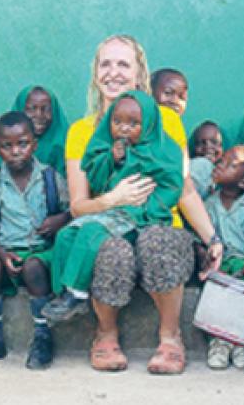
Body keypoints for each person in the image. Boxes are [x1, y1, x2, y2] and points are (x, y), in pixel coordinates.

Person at [45, 35, 223, 374]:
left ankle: (170, 338)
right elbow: (78, 207)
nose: (113, 72)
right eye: (106, 64)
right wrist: (113, 199)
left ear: (139, 72)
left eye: (123, 64)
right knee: (110, 249)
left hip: (158, 223)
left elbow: (182, 188)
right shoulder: (81, 133)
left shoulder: (165, 121)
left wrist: (212, 239)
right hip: (109, 223)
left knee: (157, 239)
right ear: (95, 72)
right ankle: (105, 334)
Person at [46, 91, 184, 321]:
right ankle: (61, 291)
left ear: (149, 124)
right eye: (117, 121)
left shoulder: (165, 151)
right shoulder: (110, 147)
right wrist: (113, 159)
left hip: (141, 215)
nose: (124, 128)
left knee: (91, 232)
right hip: (111, 211)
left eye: (134, 123)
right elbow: (98, 181)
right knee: (68, 234)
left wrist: (148, 210)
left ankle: (77, 293)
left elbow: (171, 188)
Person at [0, 112, 71, 369]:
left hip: (41, 251)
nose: (15, 152)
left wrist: (59, 220)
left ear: (34, 144)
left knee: (34, 268)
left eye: (22, 144)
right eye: (7, 146)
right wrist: (1, 254)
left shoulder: (50, 177)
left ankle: (43, 337)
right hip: (7, 250)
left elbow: (72, 210)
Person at [202, 145, 244, 371]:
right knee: (217, 286)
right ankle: (219, 341)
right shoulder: (209, 203)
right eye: (221, 160)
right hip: (218, 262)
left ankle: (240, 341)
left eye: (229, 164)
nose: (219, 164)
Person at [11, 85, 70, 174]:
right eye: (31, 109)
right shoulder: (7, 147)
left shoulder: (64, 145)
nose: (39, 115)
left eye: (46, 109)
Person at [188, 120, 225, 199]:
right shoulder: (199, 165)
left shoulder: (224, 175)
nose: (207, 147)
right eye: (201, 143)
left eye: (214, 142)